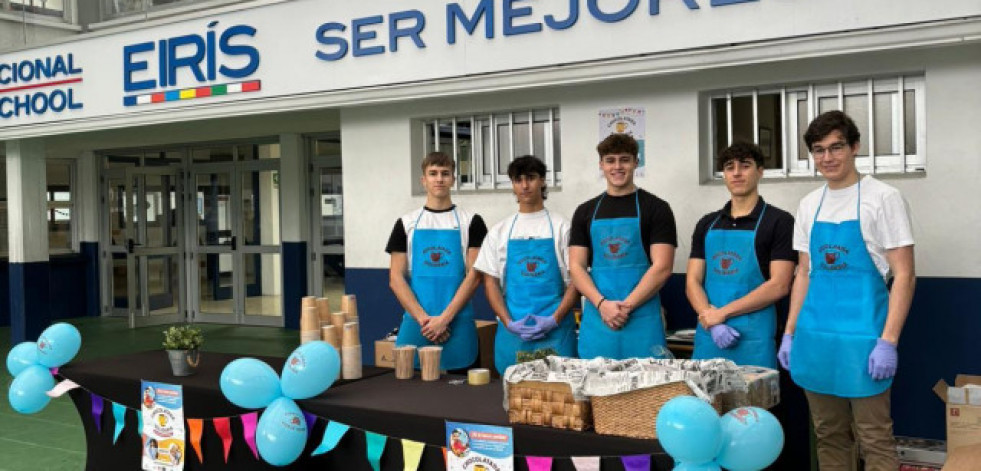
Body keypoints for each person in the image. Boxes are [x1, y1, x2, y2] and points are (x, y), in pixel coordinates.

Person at [780, 111, 916, 470]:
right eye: (819, 150)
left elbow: (904, 275)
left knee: (874, 437)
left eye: (836, 147)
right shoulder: (810, 204)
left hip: (865, 340)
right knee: (828, 434)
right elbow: (804, 273)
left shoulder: (883, 198)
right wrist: (790, 333)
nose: (828, 157)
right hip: (816, 339)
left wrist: (888, 342)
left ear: (854, 147)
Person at [686, 141, 795, 368]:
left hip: (754, 339)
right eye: (729, 166)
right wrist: (711, 320)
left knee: (752, 404)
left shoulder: (779, 221)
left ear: (760, 171)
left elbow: (779, 285)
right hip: (709, 336)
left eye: (745, 165)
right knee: (705, 403)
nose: (736, 173)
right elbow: (692, 281)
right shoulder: (707, 223)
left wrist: (721, 314)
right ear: (723, 174)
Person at [569, 133, 677, 359]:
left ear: (636, 162)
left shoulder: (657, 208)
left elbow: (663, 267)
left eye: (624, 159)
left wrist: (625, 307)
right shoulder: (585, 211)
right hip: (599, 318)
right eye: (610, 160)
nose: (617, 166)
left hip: (642, 317)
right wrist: (602, 305)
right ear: (601, 165)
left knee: (646, 391)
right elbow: (576, 267)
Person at [474, 156, 579, 374]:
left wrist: (554, 319)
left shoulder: (562, 227)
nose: (524, 185)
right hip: (513, 335)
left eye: (530, 178)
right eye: (518, 179)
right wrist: (508, 322)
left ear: (542, 181)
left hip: (556, 334)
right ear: (512, 184)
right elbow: (490, 283)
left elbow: (576, 281)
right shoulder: (499, 231)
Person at [386, 151, 488, 370]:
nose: (439, 178)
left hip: (457, 322)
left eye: (445, 173)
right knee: (409, 392)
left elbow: (475, 276)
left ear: (453, 179)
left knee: (460, 393)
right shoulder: (406, 224)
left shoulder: (471, 222)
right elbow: (396, 278)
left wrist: (444, 319)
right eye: (433, 173)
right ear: (423, 180)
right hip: (417, 321)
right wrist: (425, 321)